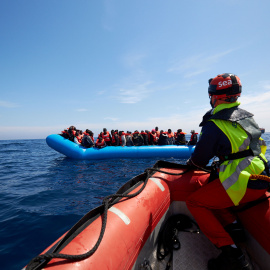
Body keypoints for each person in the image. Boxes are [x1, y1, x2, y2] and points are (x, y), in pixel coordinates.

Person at [185, 73, 269, 270]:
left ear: (214, 97)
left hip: (242, 184)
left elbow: (199, 159)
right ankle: (234, 228)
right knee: (209, 186)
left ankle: (232, 253)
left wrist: (191, 164)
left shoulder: (214, 124)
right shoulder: (248, 118)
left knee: (194, 202)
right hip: (261, 177)